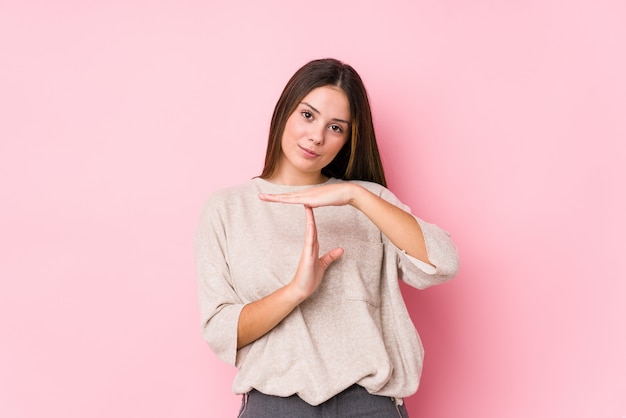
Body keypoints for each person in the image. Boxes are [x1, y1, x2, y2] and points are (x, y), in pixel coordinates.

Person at [195, 58, 459, 417]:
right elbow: (221, 331)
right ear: (285, 112)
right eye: (308, 115)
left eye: (335, 127)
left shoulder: (370, 201)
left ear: (348, 139)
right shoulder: (227, 208)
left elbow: (442, 263)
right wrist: (296, 291)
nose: (317, 136)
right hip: (274, 405)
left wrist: (355, 196)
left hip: (368, 405)